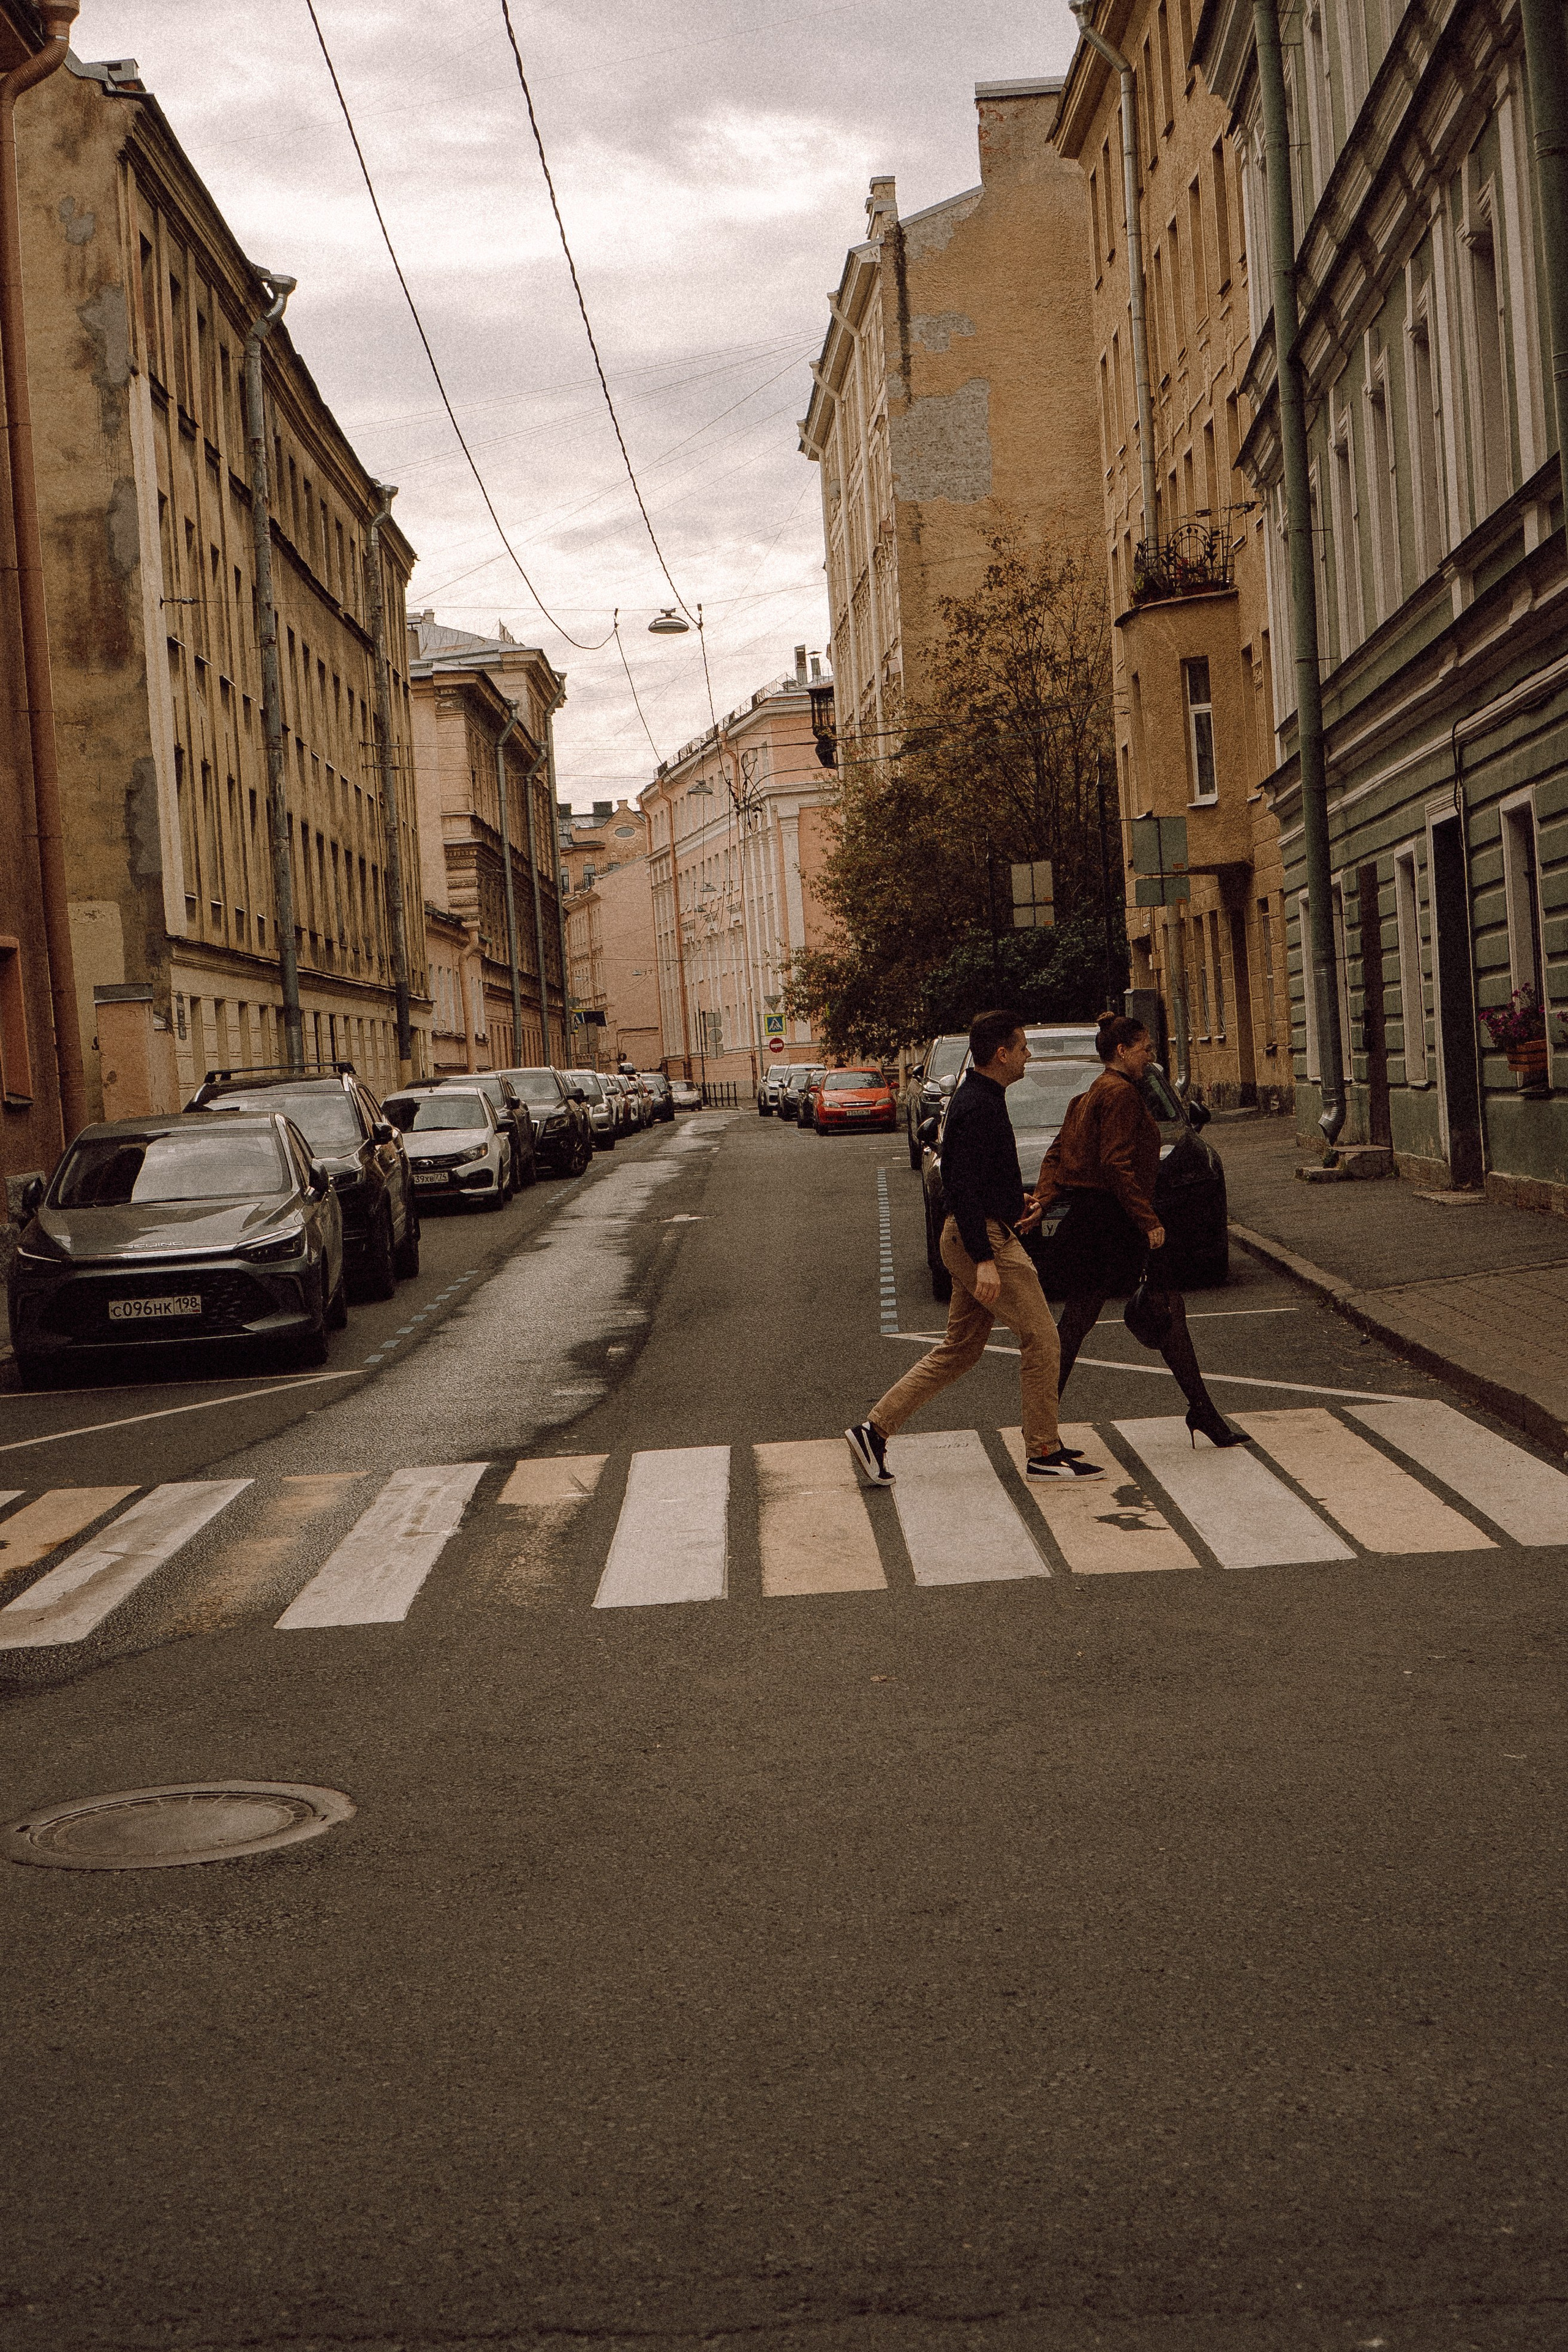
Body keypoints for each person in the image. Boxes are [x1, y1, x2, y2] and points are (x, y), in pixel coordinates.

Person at [846, 1009, 1104, 1486]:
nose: (1028, 1055)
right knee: (1044, 1337)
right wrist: (985, 1259)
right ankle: (1044, 1451)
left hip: (980, 1231)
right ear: (1002, 1054)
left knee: (960, 1350)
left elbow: (980, 1177)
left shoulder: (983, 1097)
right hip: (979, 1239)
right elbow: (958, 1186)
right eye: (1023, 1047)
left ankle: (873, 1431)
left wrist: (1014, 1201)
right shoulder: (976, 1105)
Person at [1033, 1011, 1250, 1449]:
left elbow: (1058, 1155)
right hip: (1114, 1221)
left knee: (1114, 1316)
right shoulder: (1121, 1096)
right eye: (1145, 1048)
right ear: (1122, 1051)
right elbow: (1115, 1163)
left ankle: (1202, 1412)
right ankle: (1041, 1428)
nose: (1150, 1055)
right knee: (1098, 1321)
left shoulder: (1089, 1095)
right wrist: (1147, 1220)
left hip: (1095, 1220)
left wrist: (1042, 1201)